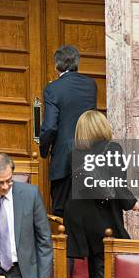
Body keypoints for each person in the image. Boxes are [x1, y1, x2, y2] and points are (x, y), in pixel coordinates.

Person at [65, 110, 137, 278]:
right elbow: (118, 183)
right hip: (101, 213)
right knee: (105, 260)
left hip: (79, 215)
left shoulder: (74, 152)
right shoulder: (112, 148)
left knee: (95, 261)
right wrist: (131, 203)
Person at [39, 45, 97, 217]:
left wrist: (44, 149)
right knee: (86, 212)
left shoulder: (53, 89)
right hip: (89, 156)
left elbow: (50, 126)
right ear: (77, 63)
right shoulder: (91, 85)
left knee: (60, 213)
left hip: (63, 161)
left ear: (57, 66)